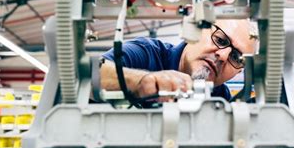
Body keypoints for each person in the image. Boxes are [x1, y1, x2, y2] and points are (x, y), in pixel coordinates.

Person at [100, 19, 259, 101]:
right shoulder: (145, 52)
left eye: (237, 58)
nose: (223, 56)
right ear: (196, 31)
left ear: (239, 71)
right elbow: (87, 76)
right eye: (221, 40)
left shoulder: (220, 97)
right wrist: (141, 82)